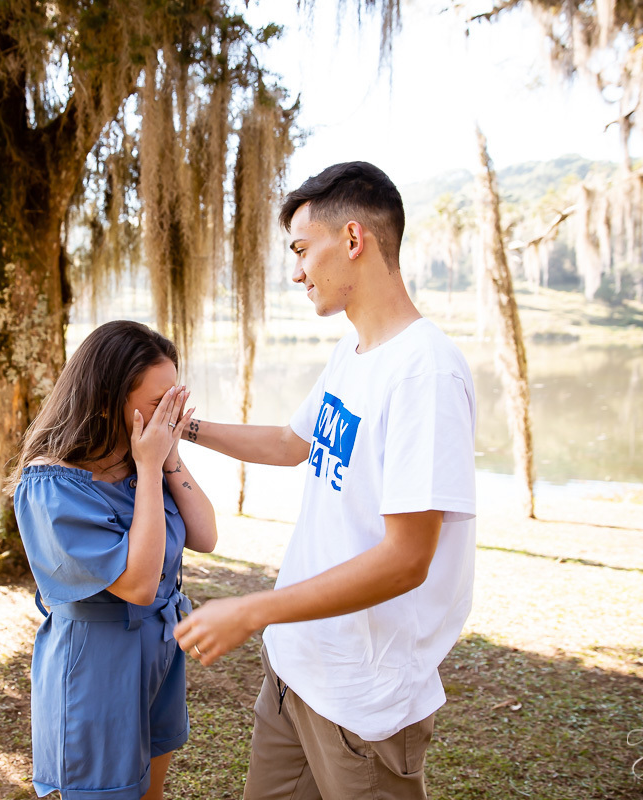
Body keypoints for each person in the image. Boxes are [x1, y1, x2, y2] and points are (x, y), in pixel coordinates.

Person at [172, 161, 477, 799]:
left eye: (302, 249)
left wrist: (251, 610)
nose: (297, 272)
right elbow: (292, 444)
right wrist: (184, 428)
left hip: (362, 697)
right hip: (294, 672)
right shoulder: (352, 352)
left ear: (354, 239)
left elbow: (406, 560)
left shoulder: (425, 373)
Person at [9, 319, 219, 800]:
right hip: (98, 666)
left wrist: (167, 458)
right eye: (159, 404)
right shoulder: (52, 485)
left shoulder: (142, 461)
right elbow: (138, 585)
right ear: (108, 400)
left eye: (176, 400)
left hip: (159, 651)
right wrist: (150, 466)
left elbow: (205, 536)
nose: (171, 415)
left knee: (150, 793)